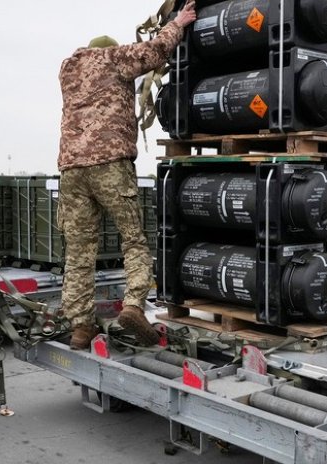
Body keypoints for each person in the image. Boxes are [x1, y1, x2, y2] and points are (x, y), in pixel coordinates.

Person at [57, 2, 197, 350]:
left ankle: (80, 326)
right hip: (110, 164)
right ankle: (134, 305)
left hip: (71, 169)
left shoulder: (68, 70)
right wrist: (177, 23)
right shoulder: (113, 59)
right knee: (133, 239)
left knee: (78, 252)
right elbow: (153, 52)